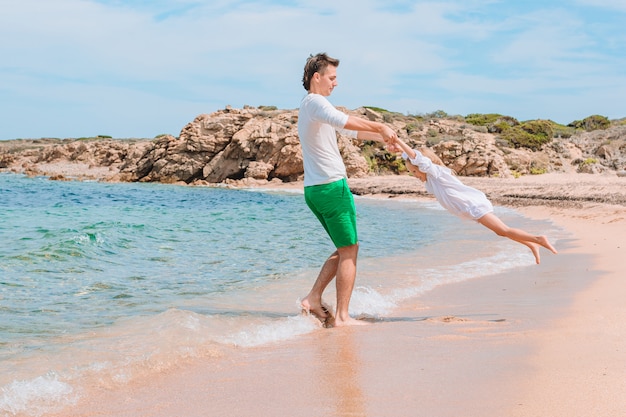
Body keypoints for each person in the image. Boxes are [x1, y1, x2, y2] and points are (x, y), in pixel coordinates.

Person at [297, 52, 397, 327]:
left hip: (315, 190)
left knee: (344, 248)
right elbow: (344, 121)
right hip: (332, 188)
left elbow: (351, 131)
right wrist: (380, 125)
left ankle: (313, 299)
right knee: (350, 249)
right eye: (332, 78)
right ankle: (342, 317)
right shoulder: (316, 103)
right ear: (316, 78)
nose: (335, 83)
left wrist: (384, 138)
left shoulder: (311, 107)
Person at [389, 137, 557, 264]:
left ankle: (538, 239)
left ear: (423, 166)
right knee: (500, 231)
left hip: (473, 206)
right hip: (470, 210)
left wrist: (399, 141)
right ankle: (531, 245)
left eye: (414, 171)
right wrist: (398, 149)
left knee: (503, 230)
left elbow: (418, 158)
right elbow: (412, 157)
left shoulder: (436, 172)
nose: (414, 175)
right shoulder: (431, 179)